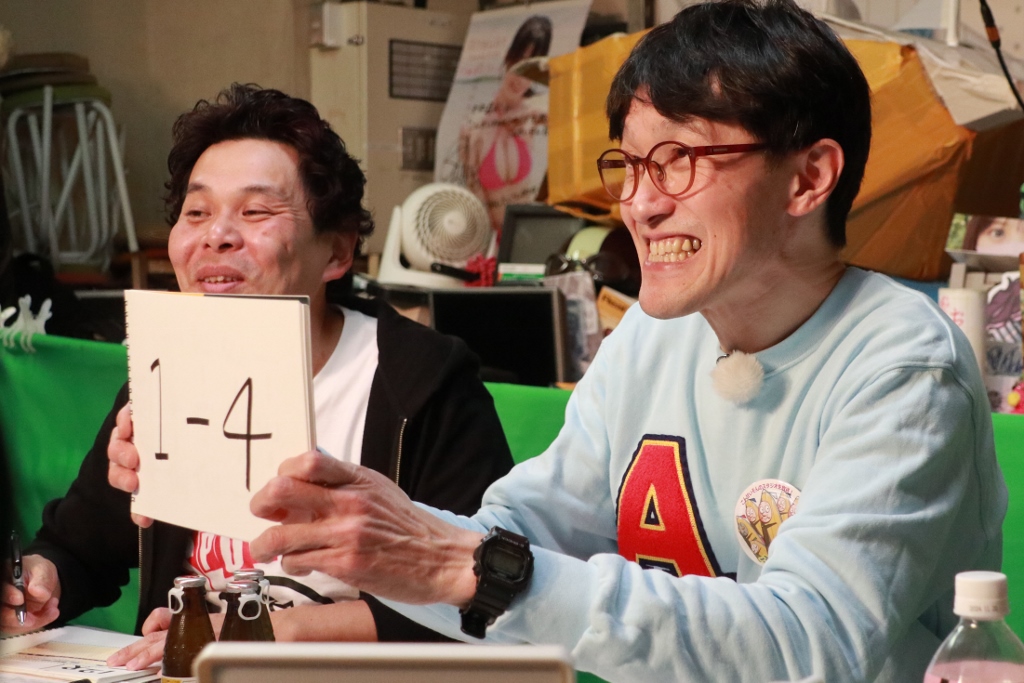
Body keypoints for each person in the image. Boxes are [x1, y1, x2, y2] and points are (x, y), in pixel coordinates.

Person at [240, 2, 1007, 682]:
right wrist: (378, 530)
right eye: (631, 165)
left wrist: (457, 562)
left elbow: (811, 643)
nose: (638, 204)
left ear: (808, 179)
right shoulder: (652, 331)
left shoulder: (903, 365)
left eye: (677, 161)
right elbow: (522, 537)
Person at [0, 84, 514, 664]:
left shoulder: (421, 382)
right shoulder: (165, 371)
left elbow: (483, 599)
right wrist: (37, 584)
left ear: (337, 252)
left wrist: (260, 634)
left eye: (256, 212)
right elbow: (80, 547)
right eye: (197, 212)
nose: (216, 235)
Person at [459, 16, 552, 233]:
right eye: (518, 61)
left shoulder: (535, 116)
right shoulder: (474, 127)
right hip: (493, 240)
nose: (520, 78)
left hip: (531, 235)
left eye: (529, 69)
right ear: (508, 55)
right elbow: (475, 200)